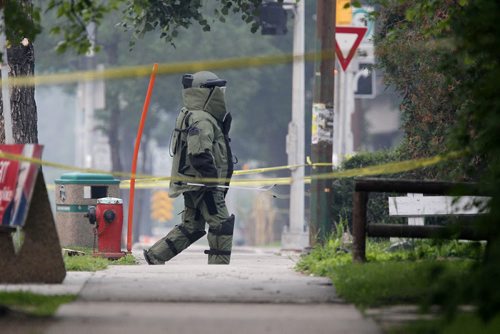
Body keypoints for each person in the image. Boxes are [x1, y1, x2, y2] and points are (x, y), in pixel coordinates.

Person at [144, 71, 235, 265]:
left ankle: (155, 255)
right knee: (221, 224)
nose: (220, 94)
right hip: (203, 184)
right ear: (205, 92)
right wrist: (211, 181)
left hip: (194, 183)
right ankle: (219, 269)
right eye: (217, 89)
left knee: (192, 226)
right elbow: (199, 153)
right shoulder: (202, 119)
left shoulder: (189, 113)